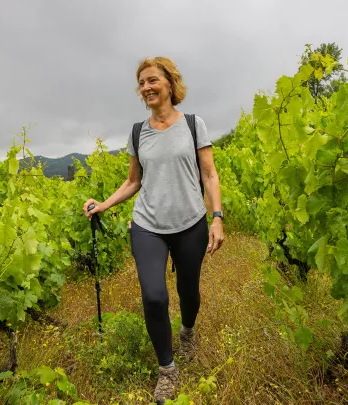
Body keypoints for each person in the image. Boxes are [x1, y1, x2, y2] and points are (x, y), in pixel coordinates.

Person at [83, 56, 224, 404]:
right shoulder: (137, 132)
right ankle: (167, 370)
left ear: (170, 84)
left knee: (189, 293)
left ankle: (187, 331)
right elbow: (133, 181)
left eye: (152, 80)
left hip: (191, 223)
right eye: (142, 82)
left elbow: (209, 174)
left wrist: (217, 217)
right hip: (148, 226)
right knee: (154, 296)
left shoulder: (193, 124)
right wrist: (104, 204)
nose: (146, 87)